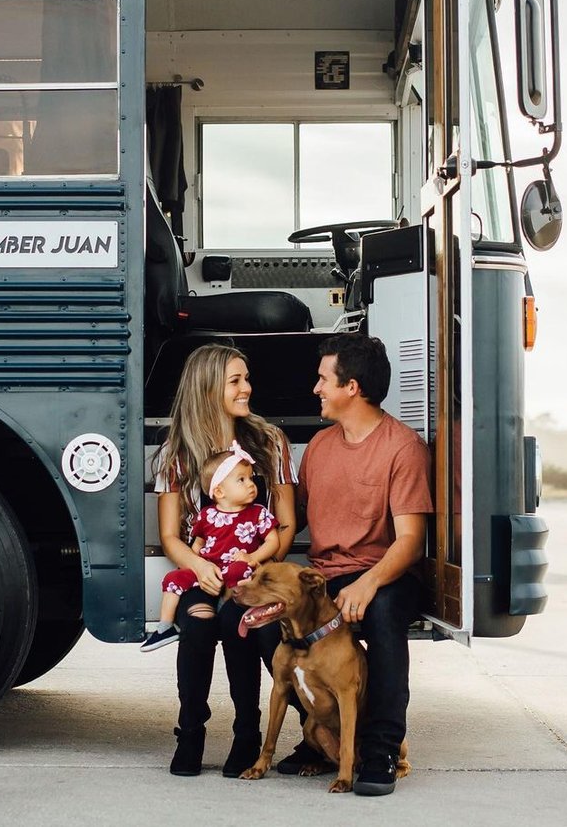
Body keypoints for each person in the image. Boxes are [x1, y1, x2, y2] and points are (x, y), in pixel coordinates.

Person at [297, 332, 432, 796]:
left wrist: (367, 585)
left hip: (384, 570)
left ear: (351, 387)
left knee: (384, 616)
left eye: (323, 380)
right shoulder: (318, 447)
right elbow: (290, 519)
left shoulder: (402, 447)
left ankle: (380, 750)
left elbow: (411, 541)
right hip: (327, 573)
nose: (316, 389)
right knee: (263, 621)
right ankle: (320, 735)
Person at [154, 342, 298, 777]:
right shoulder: (177, 452)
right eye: (235, 380)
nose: (246, 388)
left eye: (246, 379)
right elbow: (168, 534)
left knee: (243, 624)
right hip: (203, 573)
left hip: (254, 572)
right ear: (207, 387)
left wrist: (254, 566)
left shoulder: (269, 442)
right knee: (197, 625)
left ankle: (247, 734)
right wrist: (199, 567)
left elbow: (286, 526)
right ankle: (191, 733)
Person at [143, 443, 280, 652]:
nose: (251, 484)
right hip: (209, 570)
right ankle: (165, 626)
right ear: (219, 491)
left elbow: (273, 541)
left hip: (237, 566)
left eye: (251, 478)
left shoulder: (258, 513)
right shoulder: (207, 515)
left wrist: (252, 557)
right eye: (241, 480)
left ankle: (226, 608)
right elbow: (198, 544)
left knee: (239, 571)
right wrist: (195, 566)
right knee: (173, 578)